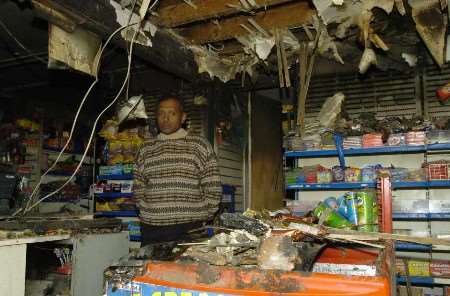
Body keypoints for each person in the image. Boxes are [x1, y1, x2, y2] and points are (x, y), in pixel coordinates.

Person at [134, 96, 222, 246]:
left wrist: (203, 215)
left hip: (189, 230)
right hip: (152, 230)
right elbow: (138, 188)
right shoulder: (145, 149)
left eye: (172, 113)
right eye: (161, 113)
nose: (166, 118)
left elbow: (213, 188)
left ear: (183, 117)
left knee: (188, 269)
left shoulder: (200, 146)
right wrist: (147, 212)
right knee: (150, 268)